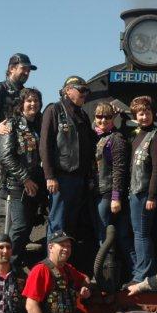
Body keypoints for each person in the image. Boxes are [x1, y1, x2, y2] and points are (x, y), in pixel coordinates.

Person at [40, 76, 96, 240]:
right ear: (68, 90)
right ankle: (52, 255)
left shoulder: (83, 115)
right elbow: (45, 145)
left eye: (87, 90)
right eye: (81, 90)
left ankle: (66, 256)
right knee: (57, 223)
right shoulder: (54, 110)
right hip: (61, 177)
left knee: (71, 224)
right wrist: (50, 176)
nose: (85, 94)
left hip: (79, 179)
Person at [0, 87, 46, 272]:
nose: (33, 104)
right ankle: (6, 265)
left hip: (37, 183)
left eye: (36, 101)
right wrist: (25, 178)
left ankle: (19, 266)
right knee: (20, 226)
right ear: (22, 104)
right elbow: (5, 156)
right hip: (17, 184)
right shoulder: (12, 124)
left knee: (30, 226)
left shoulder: (41, 124)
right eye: (29, 101)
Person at [128, 95, 157, 283]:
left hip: (145, 193)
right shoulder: (138, 135)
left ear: (153, 113)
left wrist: (152, 196)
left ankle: (143, 275)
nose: (144, 117)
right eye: (140, 114)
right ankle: (141, 271)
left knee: (142, 234)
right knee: (138, 233)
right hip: (135, 192)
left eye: (147, 112)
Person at [92, 101, 135, 275]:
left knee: (107, 237)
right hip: (98, 192)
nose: (103, 120)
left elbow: (119, 169)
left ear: (113, 119)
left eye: (107, 117)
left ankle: (119, 274)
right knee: (105, 236)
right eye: (99, 116)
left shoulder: (116, 139)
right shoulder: (98, 136)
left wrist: (116, 197)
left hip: (109, 194)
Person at [0, 53, 37, 142]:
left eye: (29, 70)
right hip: (3, 143)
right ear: (12, 69)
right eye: (23, 68)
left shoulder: (27, 94)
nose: (27, 73)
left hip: (25, 145)